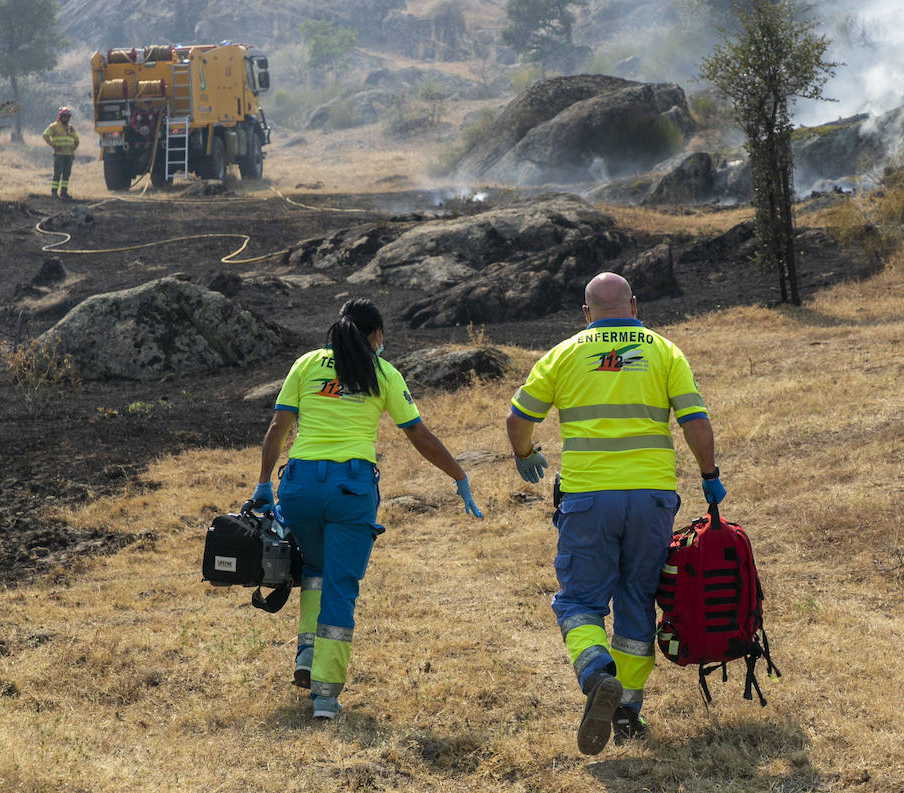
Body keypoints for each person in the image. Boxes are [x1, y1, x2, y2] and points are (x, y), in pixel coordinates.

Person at [506, 272, 725, 755]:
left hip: (588, 499)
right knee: (636, 598)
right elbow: (696, 421)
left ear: (587, 313)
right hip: (652, 499)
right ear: (635, 304)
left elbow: (518, 418)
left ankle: (594, 673)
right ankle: (627, 709)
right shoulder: (664, 351)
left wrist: (524, 454)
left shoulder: (564, 353)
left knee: (579, 601)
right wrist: (709, 474)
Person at [254, 298, 482, 721]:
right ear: (376, 335)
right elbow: (417, 433)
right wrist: (458, 475)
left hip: (299, 486)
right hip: (350, 489)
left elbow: (277, 428)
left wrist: (263, 484)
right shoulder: (383, 373)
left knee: (312, 571)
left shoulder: (306, 365)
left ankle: (306, 654)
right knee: (340, 584)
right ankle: (325, 696)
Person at [41, 106, 80, 199]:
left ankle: (64, 192)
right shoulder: (54, 126)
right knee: (58, 173)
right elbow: (45, 135)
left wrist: (72, 149)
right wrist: (53, 145)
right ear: (60, 116)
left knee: (67, 174)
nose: (66, 118)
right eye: (64, 116)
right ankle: (54, 192)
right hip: (59, 154)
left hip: (69, 155)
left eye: (67, 116)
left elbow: (77, 140)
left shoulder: (71, 128)